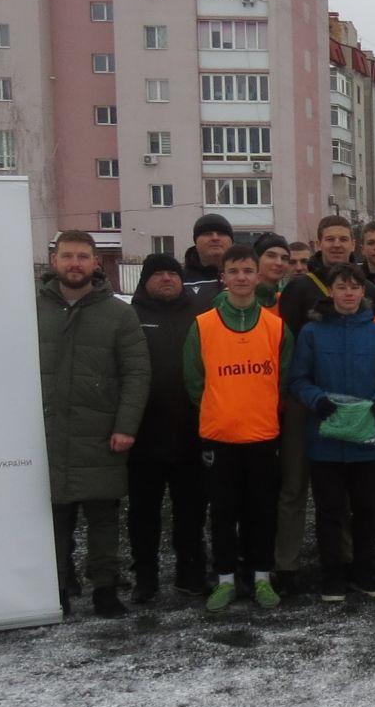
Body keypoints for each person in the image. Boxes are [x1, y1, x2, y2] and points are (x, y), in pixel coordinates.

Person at [38, 230, 150, 619]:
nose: (75, 264)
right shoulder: (30, 309)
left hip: (101, 432)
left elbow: (137, 373)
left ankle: (105, 587)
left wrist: (126, 426)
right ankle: (57, 586)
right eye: (67, 256)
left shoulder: (119, 313)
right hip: (47, 433)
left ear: (95, 263)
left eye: (83, 256)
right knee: (54, 516)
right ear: (54, 261)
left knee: (103, 517)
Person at [183, 244, 291, 610]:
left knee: (262, 511)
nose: (241, 278)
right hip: (220, 436)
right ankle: (226, 579)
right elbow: (194, 381)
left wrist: (261, 409)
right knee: (223, 512)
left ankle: (261, 577)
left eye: (247, 271)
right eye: (234, 271)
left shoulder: (276, 327)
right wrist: (222, 407)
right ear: (223, 277)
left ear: (258, 276)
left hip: (262, 435)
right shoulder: (203, 325)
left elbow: (284, 380)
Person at [292, 264, 375, 602]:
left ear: (363, 292)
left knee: (366, 509)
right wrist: (316, 399)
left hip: (367, 439)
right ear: (330, 291)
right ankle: (332, 575)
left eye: (355, 287)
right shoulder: (312, 333)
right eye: (342, 287)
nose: (348, 293)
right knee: (329, 510)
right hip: (325, 438)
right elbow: (298, 378)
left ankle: (364, 571)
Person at [127, 252, 208, 603]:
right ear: (145, 281)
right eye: (158, 274)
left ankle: (190, 572)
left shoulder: (200, 316)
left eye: (172, 274)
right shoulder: (131, 316)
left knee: (191, 509)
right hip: (144, 433)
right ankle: (145, 576)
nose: (166, 279)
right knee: (143, 512)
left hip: (190, 431)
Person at [180, 213, 233, 306]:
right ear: (196, 242)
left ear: (231, 241)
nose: (215, 238)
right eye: (207, 234)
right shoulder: (180, 280)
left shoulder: (246, 276)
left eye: (221, 234)